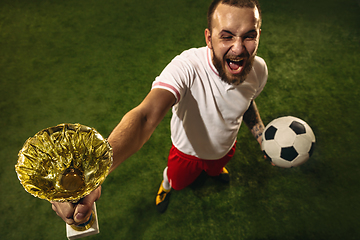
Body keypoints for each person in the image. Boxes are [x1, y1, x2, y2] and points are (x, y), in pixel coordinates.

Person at [51, 0, 268, 225]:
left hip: (225, 149)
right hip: (187, 154)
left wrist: (261, 135)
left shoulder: (259, 70)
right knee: (177, 181)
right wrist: (93, 171)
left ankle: (214, 169)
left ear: (258, 35)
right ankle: (166, 184)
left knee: (215, 170)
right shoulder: (187, 67)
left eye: (249, 36)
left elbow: (247, 101)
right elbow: (145, 117)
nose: (239, 48)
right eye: (227, 36)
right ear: (209, 38)